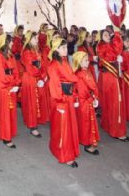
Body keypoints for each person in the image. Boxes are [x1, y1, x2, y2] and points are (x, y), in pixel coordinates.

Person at [47, 38, 80, 167]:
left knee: (69, 126)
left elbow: (72, 81)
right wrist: (59, 102)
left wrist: (75, 96)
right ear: (56, 49)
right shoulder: (54, 64)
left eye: (66, 47)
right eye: (62, 48)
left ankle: (69, 151)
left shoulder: (65, 61)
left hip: (69, 97)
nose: (66, 49)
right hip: (60, 99)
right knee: (63, 128)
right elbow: (54, 85)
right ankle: (64, 155)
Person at [96, 29, 129, 141]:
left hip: (110, 76)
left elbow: (117, 48)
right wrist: (116, 60)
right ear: (100, 37)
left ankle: (110, 125)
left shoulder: (107, 45)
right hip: (109, 76)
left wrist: (116, 35)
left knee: (111, 102)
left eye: (108, 34)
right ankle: (117, 131)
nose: (107, 36)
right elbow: (108, 56)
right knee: (115, 102)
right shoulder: (101, 46)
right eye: (104, 34)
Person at [0, 34, 21, 148]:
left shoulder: (11, 56)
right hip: (4, 87)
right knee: (4, 111)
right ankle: (5, 136)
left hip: (11, 85)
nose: (12, 43)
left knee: (11, 110)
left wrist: (16, 83)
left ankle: (7, 129)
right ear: (5, 43)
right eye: (10, 41)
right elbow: (1, 75)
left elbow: (16, 71)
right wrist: (12, 83)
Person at [20, 31, 48, 138]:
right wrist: (41, 75)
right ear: (29, 39)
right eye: (35, 38)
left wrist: (43, 76)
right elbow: (31, 69)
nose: (37, 40)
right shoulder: (27, 52)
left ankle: (37, 120)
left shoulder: (36, 50)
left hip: (37, 78)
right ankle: (32, 126)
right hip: (30, 79)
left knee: (37, 101)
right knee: (31, 102)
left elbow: (42, 65)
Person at [72, 50, 100, 155]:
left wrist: (95, 97)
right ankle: (87, 144)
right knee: (85, 123)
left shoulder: (86, 72)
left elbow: (93, 87)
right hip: (83, 103)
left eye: (88, 60)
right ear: (79, 62)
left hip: (87, 101)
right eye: (85, 60)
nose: (87, 62)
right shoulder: (79, 74)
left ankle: (85, 141)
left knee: (86, 123)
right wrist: (92, 98)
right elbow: (79, 91)